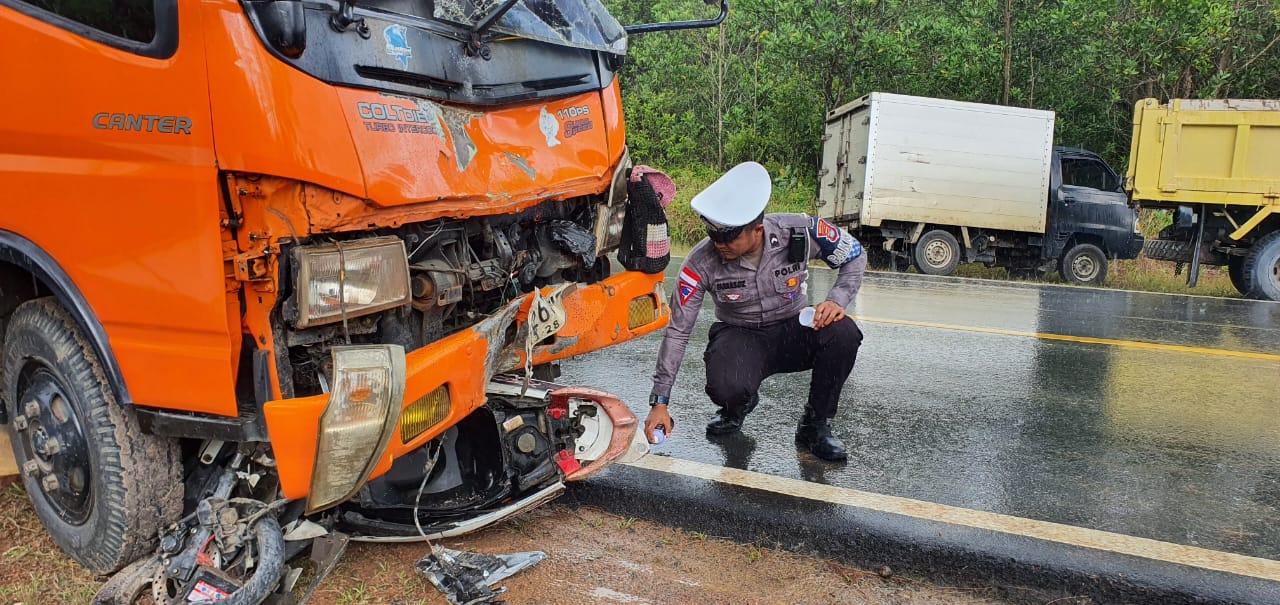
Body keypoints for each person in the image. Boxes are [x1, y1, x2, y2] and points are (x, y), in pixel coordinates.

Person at [643, 162, 866, 461]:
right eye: (713, 236)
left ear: (757, 229)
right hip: (740, 334)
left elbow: (854, 254)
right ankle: (737, 406)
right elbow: (678, 331)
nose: (719, 244)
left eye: (728, 237)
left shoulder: (799, 231)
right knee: (727, 385)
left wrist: (837, 299)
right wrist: (660, 402)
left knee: (843, 333)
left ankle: (814, 425)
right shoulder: (700, 263)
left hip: (793, 328)